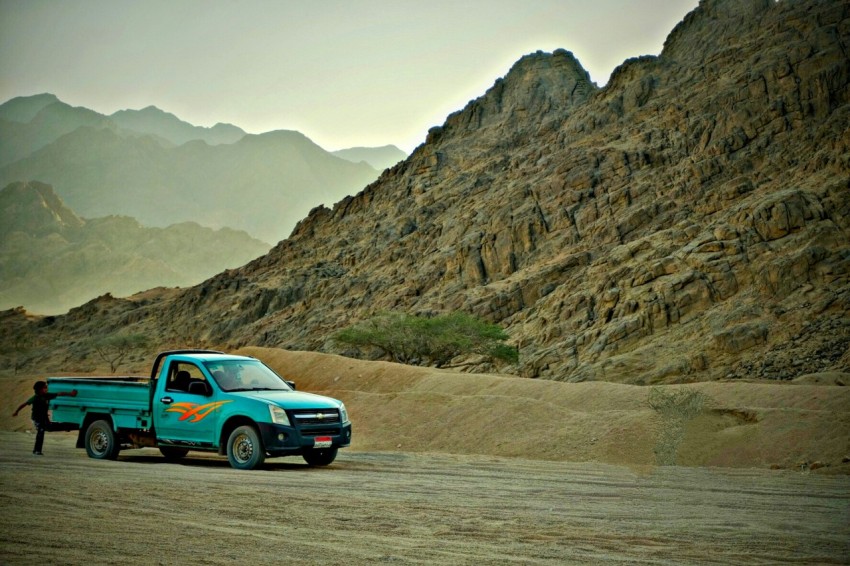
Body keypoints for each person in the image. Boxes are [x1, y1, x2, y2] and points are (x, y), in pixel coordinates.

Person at [12, 381, 77, 456]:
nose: (47, 388)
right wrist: (16, 412)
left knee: (50, 427)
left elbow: (59, 393)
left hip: (44, 418)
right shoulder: (35, 398)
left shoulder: (46, 396)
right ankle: (36, 451)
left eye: (46, 387)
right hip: (37, 419)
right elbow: (24, 404)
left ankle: (67, 426)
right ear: (40, 389)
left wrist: (70, 394)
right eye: (45, 387)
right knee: (41, 432)